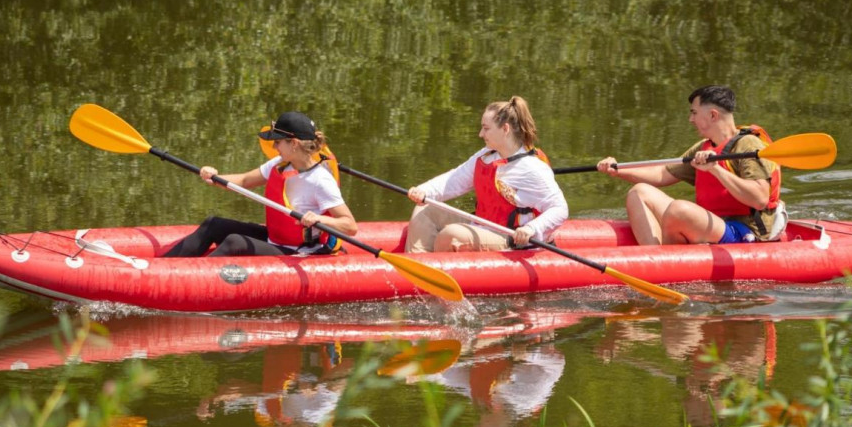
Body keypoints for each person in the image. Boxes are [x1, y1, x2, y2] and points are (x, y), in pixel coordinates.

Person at [596, 85, 784, 246]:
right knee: (640, 192)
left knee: (679, 210)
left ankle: (667, 264)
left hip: (745, 232)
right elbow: (662, 173)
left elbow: (759, 198)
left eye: (694, 113)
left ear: (712, 115)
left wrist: (715, 169)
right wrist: (619, 169)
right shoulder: (704, 146)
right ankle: (654, 260)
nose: (690, 119)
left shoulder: (748, 145)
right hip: (715, 225)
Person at [163, 111, 358, 257]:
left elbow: (350, 226)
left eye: (277, 142)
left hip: (297, 251)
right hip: (275, 238)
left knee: (235, 242)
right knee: (213, 224)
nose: (274, 147)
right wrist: (214, 177)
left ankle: (190, 284)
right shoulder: (279, 164)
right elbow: (245, 181)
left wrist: (320, 219)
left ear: (294, 144)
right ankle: (162, 269)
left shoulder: (320, 180)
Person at [405, 96, 568, 253]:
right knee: (424, 210)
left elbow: (559, 208)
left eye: (486, 128)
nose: (481, 134)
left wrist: (532, 228)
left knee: (451, 235)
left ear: (505, 129)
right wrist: (424, 191)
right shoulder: (487, 155)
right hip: (484, 225)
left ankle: (439, 274)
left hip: (510, 237)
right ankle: (417, 269)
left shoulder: (531, 168)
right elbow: (455, 180)